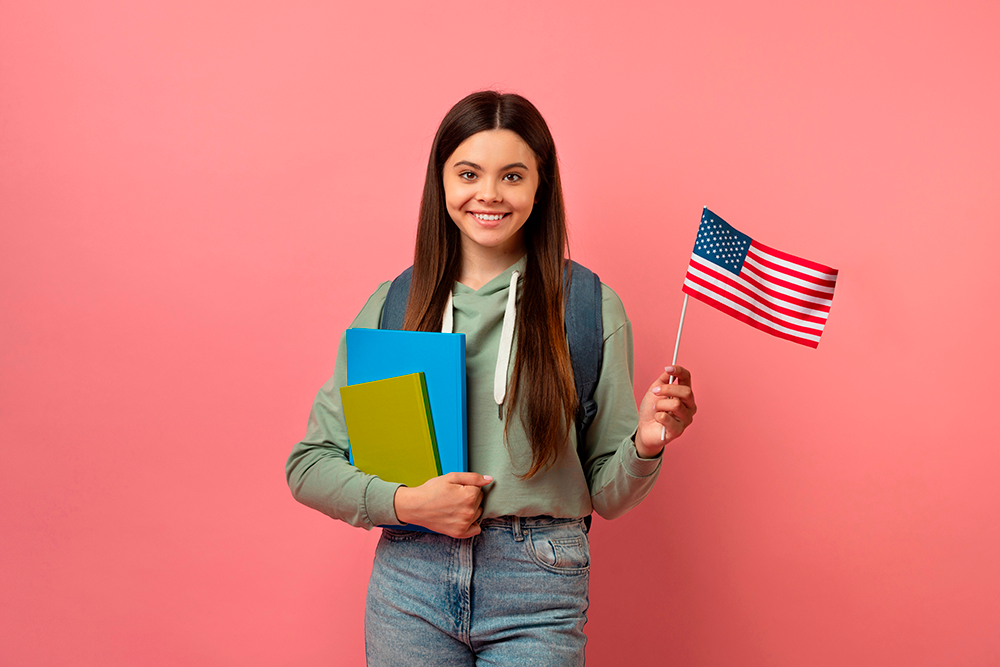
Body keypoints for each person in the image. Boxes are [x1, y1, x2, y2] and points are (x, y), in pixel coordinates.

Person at [285, 91, 696, 666]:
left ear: (541, 185)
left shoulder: (588, 307)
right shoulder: (393, 306)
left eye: (512, 176)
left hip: (539, 585)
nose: (489, 194)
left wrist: (646, 443)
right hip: (410, 583)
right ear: (441, 182)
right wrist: (405, 503)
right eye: (469, 173)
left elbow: (607, 493)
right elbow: (310, 465)